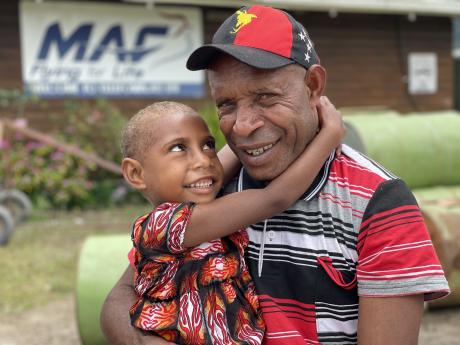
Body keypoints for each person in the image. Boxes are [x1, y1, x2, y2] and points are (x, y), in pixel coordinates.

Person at [101, 5, 450, 345]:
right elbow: (122, 297)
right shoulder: (210, 188)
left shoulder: (377, 203)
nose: (243, 126)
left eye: (266, 97)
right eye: (226, 104)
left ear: (313, 87)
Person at [119, 100, 344, 344]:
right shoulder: (165, 226)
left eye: (208, 145)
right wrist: (329, 134)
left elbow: (217, 167)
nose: (203, 160)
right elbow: (274, 198)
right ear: (136, 174)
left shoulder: (200, 204)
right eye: (178, 148)